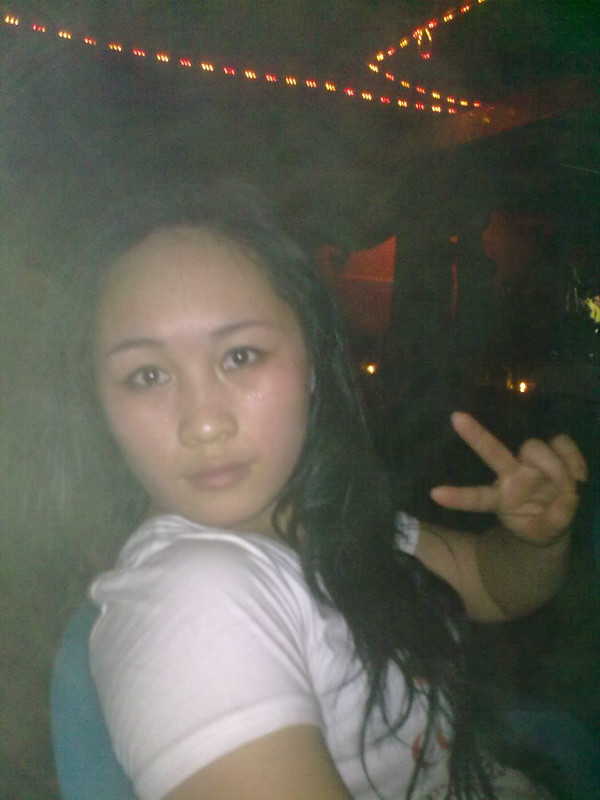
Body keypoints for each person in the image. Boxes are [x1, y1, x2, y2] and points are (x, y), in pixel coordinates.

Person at [39, 180, 586, 800]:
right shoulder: (194, 601)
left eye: (240, 356)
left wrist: (534, 539)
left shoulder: (319, 512)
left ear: (314, 367)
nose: (204, 423)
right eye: (147, 375)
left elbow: (488, 582)